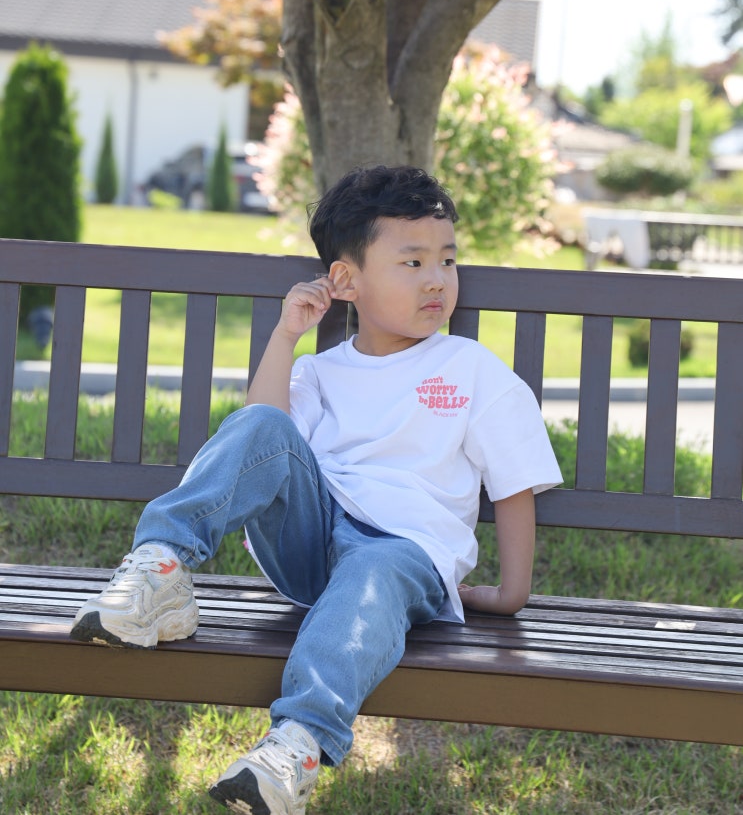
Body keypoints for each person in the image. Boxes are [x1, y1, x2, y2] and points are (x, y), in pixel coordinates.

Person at [70, 164, 562, 815]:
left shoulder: (469, 368)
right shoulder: (321, 371)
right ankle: (160, 566)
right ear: (346, 281)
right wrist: (286, 335)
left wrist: (510, 592)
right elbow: (262, 438)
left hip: (402, 553)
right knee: (261, 424)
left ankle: (295, 746)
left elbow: (515, 480)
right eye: (412, 262)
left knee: (374, 570)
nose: (437, 279)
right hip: (311, 543)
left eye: (447, 259)